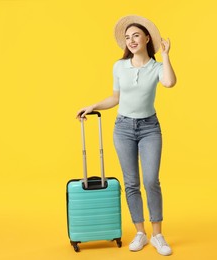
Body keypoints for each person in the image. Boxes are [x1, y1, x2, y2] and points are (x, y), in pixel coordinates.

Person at [76, 15, 176, 256]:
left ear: (147, 38)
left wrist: (165, 54)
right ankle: (140, 232)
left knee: (151, 180)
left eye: (136, 36)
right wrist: (93, 106)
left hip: (149, 128)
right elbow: (115, 98)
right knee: (131, 183)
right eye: (127, 37)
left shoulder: (156, 67)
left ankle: (157, 235)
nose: (131, 40)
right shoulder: (119, 66)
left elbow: (170, 83)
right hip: (123, 128)